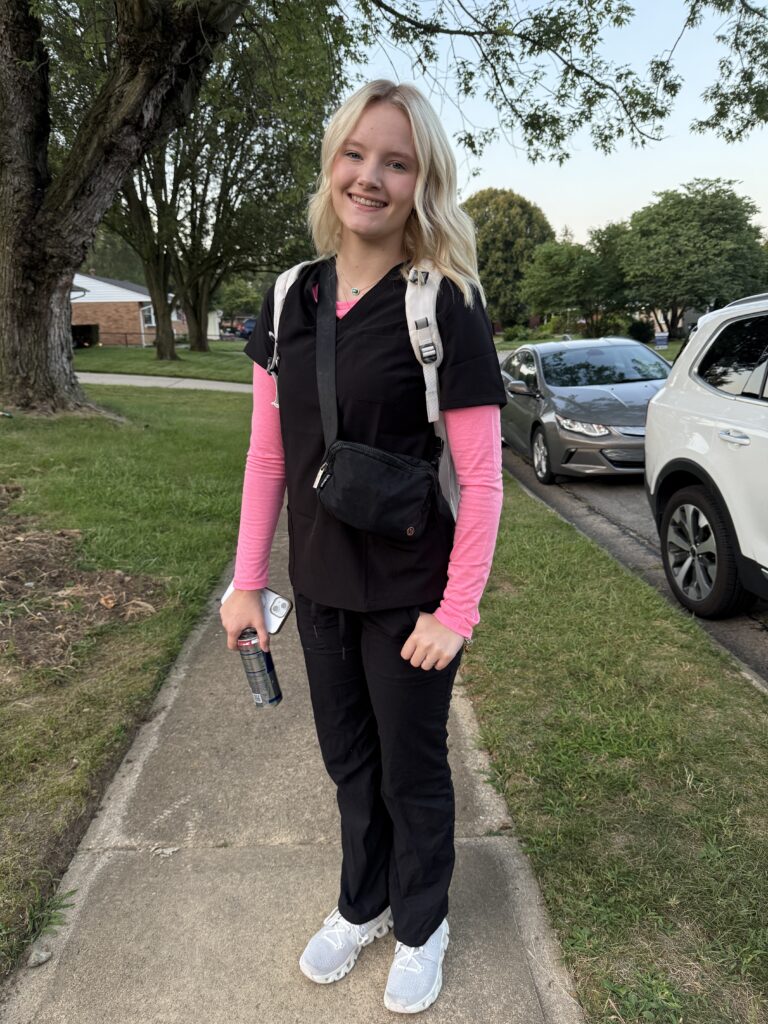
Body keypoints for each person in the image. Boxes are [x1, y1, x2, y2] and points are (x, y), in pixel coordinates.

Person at [220, 79, 506, 1015]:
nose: (370, 177)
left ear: (423, 181)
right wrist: (244, 583)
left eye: (396, 161)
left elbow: (485, 477)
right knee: (348, 758)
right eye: (356, 153)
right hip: (322, 584)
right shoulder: (289, 297)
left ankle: (424, 923)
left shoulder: (446, 304)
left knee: (411, 767)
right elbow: (270, 453)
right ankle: (365, 901)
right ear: (332, 161)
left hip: (413, 590)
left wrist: (456, 613)